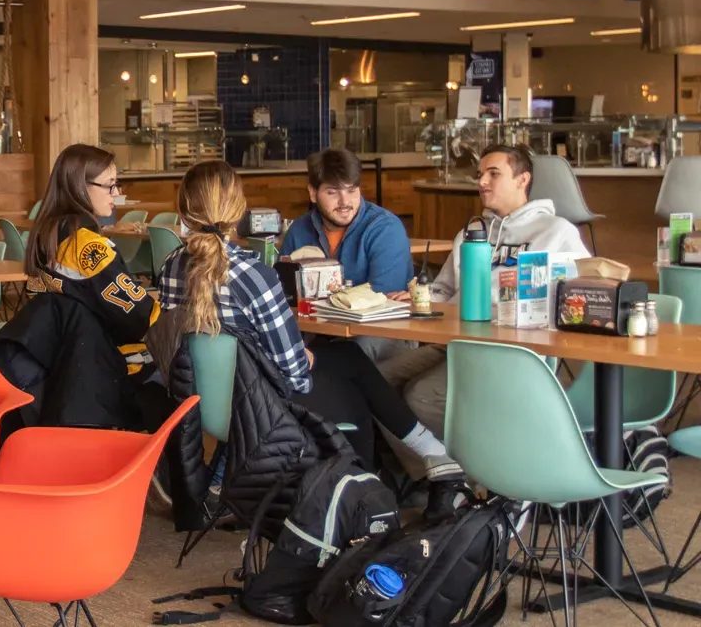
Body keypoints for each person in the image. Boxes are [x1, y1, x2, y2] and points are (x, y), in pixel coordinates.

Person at [157, 160, 463, 494]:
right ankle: (376, 488)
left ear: (183, 211)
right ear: (239, 210)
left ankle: (228, 476)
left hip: (198, 403)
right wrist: (304, 357)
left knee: (345, 357)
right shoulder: (255, 275)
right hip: (259, 409)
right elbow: (295, 376)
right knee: (349, 374)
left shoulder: (170, 266)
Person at [379, 144, 591, 442]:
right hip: (452, 342)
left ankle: (472, 469)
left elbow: (579, 295)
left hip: (508, 351)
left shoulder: (556, 232)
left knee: (421, 395)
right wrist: (419, 298)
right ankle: (429, 471)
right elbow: (445, 289)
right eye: (480, 175)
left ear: (523, 179)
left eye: (494, 174)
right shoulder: (469, 233)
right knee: (376, 381)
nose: (481, 182)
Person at [0, 143, 163, 433]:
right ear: (81, 187)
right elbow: (137, 316)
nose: (117, 194)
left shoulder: (47, 232)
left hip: (55, 373)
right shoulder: (85, 243)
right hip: (100, 376)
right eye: (109, 186)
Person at [280, 148, 415, 361]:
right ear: (313, 193)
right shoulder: (299, 229)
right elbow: (284, 295)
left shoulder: (385, 228)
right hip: (319, 335)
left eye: (351, 190)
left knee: (345, 354)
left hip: (381, 332)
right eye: (333, 192)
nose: (345, 202)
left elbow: (382, 299)